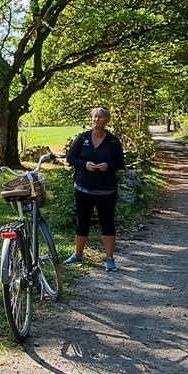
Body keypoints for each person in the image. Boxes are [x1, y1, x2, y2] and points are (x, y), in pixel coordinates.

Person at [64, 107, 125, 272]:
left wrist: (108, 166)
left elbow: (120, 162)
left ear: (106, 120)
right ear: (91, 119)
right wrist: (85, 164)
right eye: (95, 117)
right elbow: (70, 157)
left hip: (106, 190)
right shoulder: (82, 137)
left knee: (107, 223)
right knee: (82, 222)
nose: (97, 120)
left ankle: (110, 259)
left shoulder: (113, 141)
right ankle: (77, 255)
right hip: (83, 189)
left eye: (101, 117)